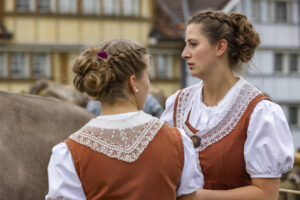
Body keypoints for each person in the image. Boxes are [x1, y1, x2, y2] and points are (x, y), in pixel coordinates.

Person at [45, 39, 203, 200]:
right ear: (133, 82)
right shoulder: (178, 141)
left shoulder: (70, 153)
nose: (148, 83)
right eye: (147, 75)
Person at [161, 10, 294, 200]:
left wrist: (193, 197)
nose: (184, 54)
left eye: (193, 44)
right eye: (185, 45)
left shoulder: (259, 112)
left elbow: (266, 195)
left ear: (220, 47)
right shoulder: (177, 104)